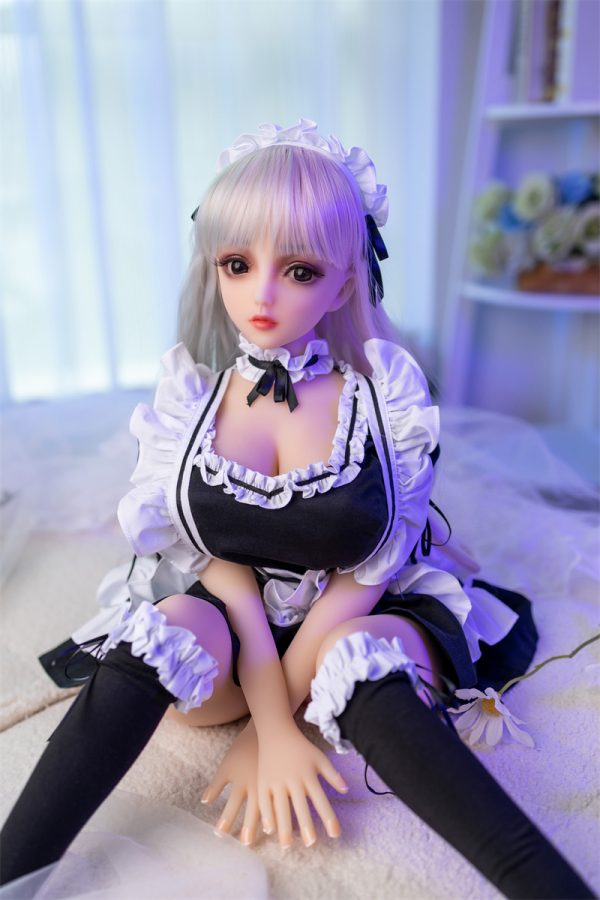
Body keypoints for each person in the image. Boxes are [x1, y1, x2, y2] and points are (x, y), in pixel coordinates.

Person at [0, 119, 594, 899]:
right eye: (238, 264)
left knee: (360, 650)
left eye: (301, 270)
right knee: (170, 625)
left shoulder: (381, 408)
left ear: (344, 284)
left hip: (351, 612)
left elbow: (366, 574)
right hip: (231, 645)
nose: (263, 294)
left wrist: (285, 721)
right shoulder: (191, 408)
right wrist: (271, 722)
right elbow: (221, 570)